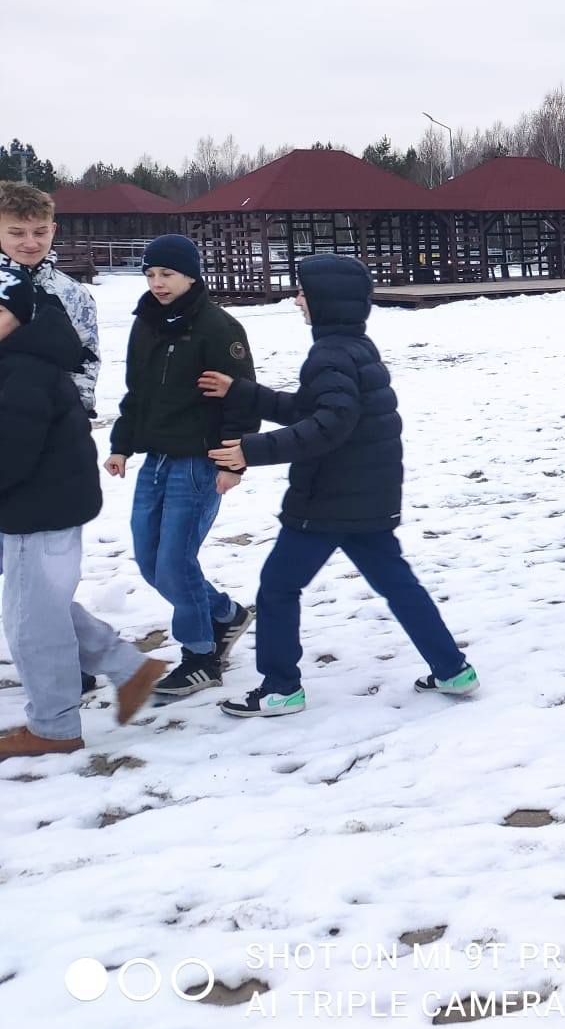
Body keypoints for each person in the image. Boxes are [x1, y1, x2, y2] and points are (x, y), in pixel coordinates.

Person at [198, 255, 477, 717]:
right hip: (367, 494)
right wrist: (243, 391)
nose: (297, 300)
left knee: (277, 588)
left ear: (326, 300)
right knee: (398, 584)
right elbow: (312, 411)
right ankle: (453, 670)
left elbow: (328, 426)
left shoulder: (329, 355)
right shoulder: (353, 348)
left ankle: (281, 687)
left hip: (328, 500)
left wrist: (252, 450)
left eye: (303, 293)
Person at [0, 267, 169, 759]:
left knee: (33, 624)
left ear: (19, 313)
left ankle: (54, 729)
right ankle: (128, 669)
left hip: (39, 510)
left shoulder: (25, 369)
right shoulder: (19, 355)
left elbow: (11, 453)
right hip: (37, 505)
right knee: (40, 605)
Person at [105, 234, 259, 699]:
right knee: (151, 562)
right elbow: (137, 392)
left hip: (200, 461)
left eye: (167, 274)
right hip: (155, 458)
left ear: (190, 275)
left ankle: (201, 656)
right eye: (150, 274)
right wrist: (121, 445)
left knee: (174, 562)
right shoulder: (147, 323)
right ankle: (226, 614)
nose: (157, 283)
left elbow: (243, 400)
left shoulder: (218, 327)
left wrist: (234, 462)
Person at [0, 181, 99, 414]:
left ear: (53, 229)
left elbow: (86, 358)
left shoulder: (74, 294)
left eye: (40, 232)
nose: (31, 243)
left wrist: (75, 410)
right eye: (17, 233)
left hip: (53, 421)